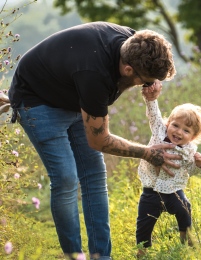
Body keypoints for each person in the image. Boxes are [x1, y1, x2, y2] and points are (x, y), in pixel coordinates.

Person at [8, 21, 180, 260]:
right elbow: (99, 141)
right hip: (36, 100)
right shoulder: (94, 74)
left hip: (73, 94)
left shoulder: (137, 42)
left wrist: (152, 85)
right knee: (66, 179)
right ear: (129, 69)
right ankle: (73, 256)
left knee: (94, 176)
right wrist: (148, 153)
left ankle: (102, 256)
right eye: (145, 80)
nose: (146, 85)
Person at [136, 94, 201, 257]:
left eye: (186, 130)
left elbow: (191, 170)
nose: (178, 132)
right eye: (175, 125)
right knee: (144, 221)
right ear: (168, 123)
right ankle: (142, 249)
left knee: (184, 208)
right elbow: (153, 114)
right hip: (151, 191)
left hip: (173, 190)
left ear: (193, 137)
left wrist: (198, 163)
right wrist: (151, 98)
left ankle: (185, 234)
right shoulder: (159, 132)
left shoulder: (190, 150)